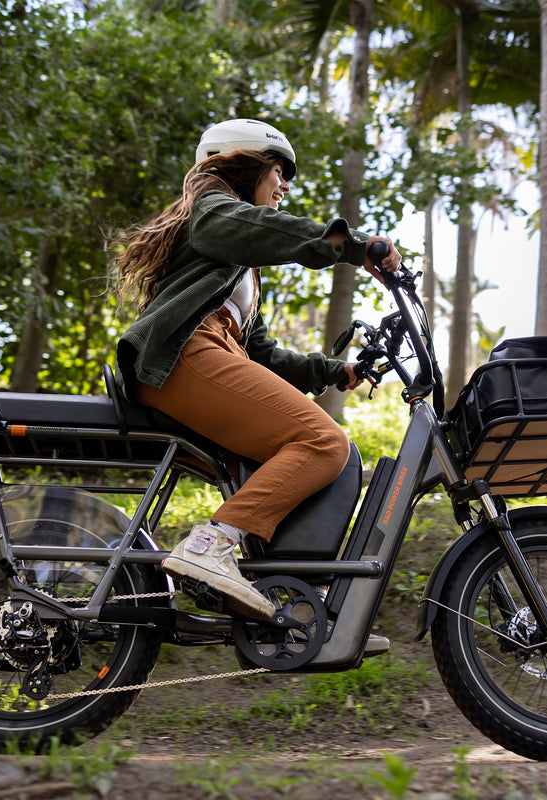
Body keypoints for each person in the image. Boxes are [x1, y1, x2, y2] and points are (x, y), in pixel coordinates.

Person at [111, 118, 400, 622]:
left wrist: (335, 372)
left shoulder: (236, 264)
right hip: (185, 355)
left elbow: (261, 352)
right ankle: (210, 544)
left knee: (321, 450)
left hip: (208, 354)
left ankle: (292, 585)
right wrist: (352, 247)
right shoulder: (212, 212)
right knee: (323, 443)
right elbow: (261, 230)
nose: (284, 185)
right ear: (243, 165)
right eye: (277, 171)